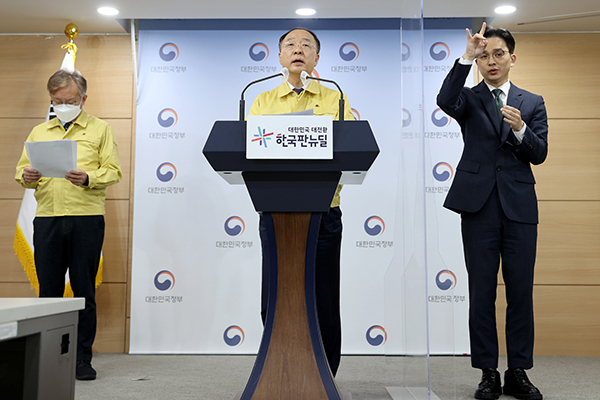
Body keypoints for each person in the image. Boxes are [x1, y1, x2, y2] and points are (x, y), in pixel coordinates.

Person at [437, 23, 547, 400]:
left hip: (519, 207)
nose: (491, 61)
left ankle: (518, 371)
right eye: (484, 56)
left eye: (497, 54)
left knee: (520, 292)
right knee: (481, 291)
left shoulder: (532, 102)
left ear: (512, 58)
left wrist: (520, 131)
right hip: (478, 205)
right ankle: (488, 372)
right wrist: (465, 56)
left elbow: (540, 153)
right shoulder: (468, 98)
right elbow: (444, 100)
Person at [248, 28, 354, 376]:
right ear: (279, 57)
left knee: (323, 295)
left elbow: (350, 144)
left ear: (317, 59)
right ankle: (278, 369)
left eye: (307, 45)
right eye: (290, 45)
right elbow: (249, 148)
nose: (298, 50)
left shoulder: (335, 97)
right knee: (275, 295)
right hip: (275, 212)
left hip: (324, 212)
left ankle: (326, 375)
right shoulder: (261, 100)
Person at [15, 69, 122, 381]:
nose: (63, 105)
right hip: (47, 217)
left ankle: (81, 359)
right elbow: (20, 171)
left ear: (83, 99)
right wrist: (27, 176)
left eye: (70, 100)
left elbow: (113, 171)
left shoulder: (101, 129)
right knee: (48, 291)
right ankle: (45, 358)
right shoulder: (39, 131)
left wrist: (89, 177)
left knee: (83, 290)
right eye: (57, 101)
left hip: (85, 218)